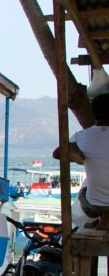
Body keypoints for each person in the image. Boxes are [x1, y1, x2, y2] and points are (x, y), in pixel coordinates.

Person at [53, 91, 109, 229]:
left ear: (93, 113)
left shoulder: (82, 136)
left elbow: (56, 154)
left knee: (84, 192)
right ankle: (104, 223)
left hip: (95, 203)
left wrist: (77, 153)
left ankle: (102, 222)